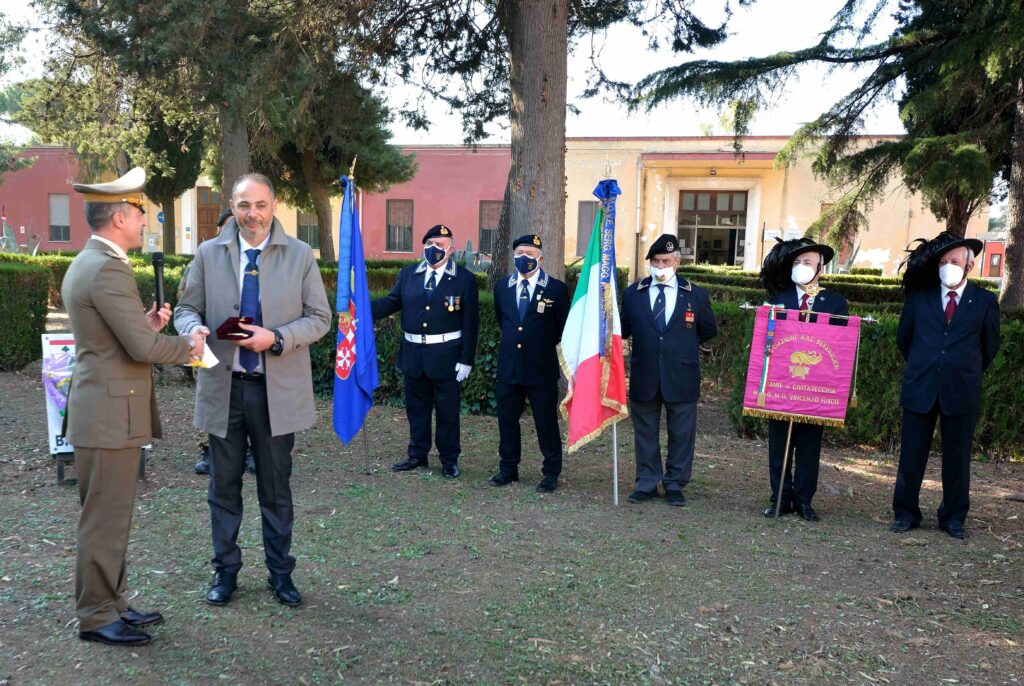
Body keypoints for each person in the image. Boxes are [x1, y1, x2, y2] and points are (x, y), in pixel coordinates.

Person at [63, 167, 207, 646]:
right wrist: (189, 345)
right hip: (108, 416)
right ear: (119, 217)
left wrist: (146, 325)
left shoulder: (92, 262)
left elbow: (118, 339)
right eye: (139, 212)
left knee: (112, 515)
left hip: (105, 412)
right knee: (104, 520)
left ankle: (113, 603)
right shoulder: (107, 268)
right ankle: (96, 615)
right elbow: (142, 350)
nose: (144, 221)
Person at [175, 173, 331, 606]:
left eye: (260, 205)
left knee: (275, 490)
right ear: (233, 206)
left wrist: (276, 338)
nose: (253, 214)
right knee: (223, 489)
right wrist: (193, 328)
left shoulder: (299, 255)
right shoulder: (208, 253)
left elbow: (320, 318)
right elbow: (186, 308)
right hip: (223, 388)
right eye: (244, 205)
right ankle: (225, 572)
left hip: (275, 392)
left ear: (274, 205)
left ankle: (281, 574)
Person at [890, 231, 1000, 540]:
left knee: (957, 458)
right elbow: (904, 340)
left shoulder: (984, 301)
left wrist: (963, 369)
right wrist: (925, 365)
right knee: (911, 454)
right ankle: (905, 513)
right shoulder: (920, 298)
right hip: (921, 386)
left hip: (961, 390)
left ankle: (953, 518)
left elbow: (989, 347)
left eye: (954, 261)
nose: (947, 266)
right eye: (942, 262)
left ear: (969, 266)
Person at [371, 224, 480, 479]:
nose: (433, 248)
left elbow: (470, 324)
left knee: (447, 412)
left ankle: (449, 459)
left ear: (450, 249)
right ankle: (417, 454)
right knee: (416, 410)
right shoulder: (409, 274)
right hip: (414, 354)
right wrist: (361, 308)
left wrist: (466, 359)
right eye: (429, 244)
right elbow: (391, 302)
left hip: (447, 356)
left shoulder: (464, 279)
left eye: (439, 245)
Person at [620, 234, 717, 506]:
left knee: (681, 434)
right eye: (655, 261)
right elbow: (623, 330)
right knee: (645, 433)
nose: (660, 266)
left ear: (677, 262)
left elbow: (708, 330)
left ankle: (675, 484)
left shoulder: (696, 294)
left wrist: (679, 347)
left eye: (665, 261)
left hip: (682, 375)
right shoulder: (633, 294)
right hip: (645, 374)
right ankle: (647, 482)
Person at [758, 237, 849, 521]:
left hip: (816, 389)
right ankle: (780, 498)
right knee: (779, 445)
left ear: (820, 268)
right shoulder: (777, 300)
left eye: (807, 262)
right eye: (797, 262)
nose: (801, 266)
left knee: (809, 446)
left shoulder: (835, 303)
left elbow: (840, 344)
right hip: (782, 385)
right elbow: (765, 341)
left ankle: (804, 500)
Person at [489, 234, 570, 492]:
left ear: (541, 259)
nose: (524, 258)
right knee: (507, 421)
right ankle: (508, 468)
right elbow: (504, 321)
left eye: (530, 254)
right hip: (509, 367)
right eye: (520, 253)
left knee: (546, 423)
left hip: (540, 368)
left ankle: (551, 472)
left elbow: (562, 327)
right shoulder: (502, 287)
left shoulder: (556, 289)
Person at [188, 208, 255, 477]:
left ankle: (250, 451)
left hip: (251, 356)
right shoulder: (207, 257)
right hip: (212, 346)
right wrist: (194, 326)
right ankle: (207, 450)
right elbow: (189, 301)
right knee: (211, 405)